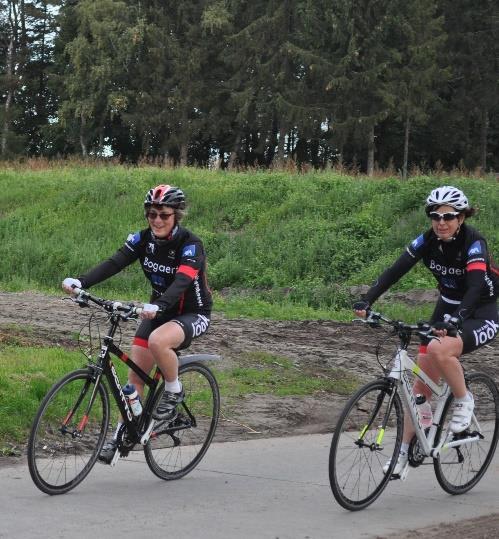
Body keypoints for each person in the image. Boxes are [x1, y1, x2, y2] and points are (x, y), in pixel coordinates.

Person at [353, 185, 499, 479]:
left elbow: (473, 288)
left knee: (438, 349)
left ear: (461, 218)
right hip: (447, 308)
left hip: (481, 311)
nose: (441, 222)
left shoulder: (474, 243)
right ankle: (404, 454)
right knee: (419, 390)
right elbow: (397, 269)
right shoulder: (428, 240)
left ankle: (464, 399)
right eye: (435, 215)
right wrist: (368, 299)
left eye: (448, 216)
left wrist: (455, 321)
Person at [63, 184, 212, 464]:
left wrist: (160, 306)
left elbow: (182, 281)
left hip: (192, 313)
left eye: (164, 215)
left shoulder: (191, 244)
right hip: (157, 310)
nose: (157, 220)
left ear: (176, 216)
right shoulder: (143, 240)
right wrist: (81, 282)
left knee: (158, 341)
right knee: (134, 381)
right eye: (152, 214)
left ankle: (174, 390)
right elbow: (114, 262)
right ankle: (123, 433)